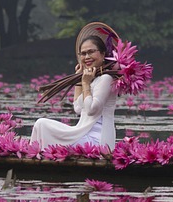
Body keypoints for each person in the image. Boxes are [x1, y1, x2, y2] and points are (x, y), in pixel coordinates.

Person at [30, 23, 119, 151]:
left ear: (103, 53)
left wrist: (86, 84)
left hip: (98, 141)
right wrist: (79, 78)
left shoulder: (106, 78)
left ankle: (38, 159)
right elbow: (78, 108)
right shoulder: (92, 78)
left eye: (91, 52)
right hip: (83, 134)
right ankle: (35, 156)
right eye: (83, 54)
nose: (86, 57)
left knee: (43, 125)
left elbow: (92, 110)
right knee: (40, 124)